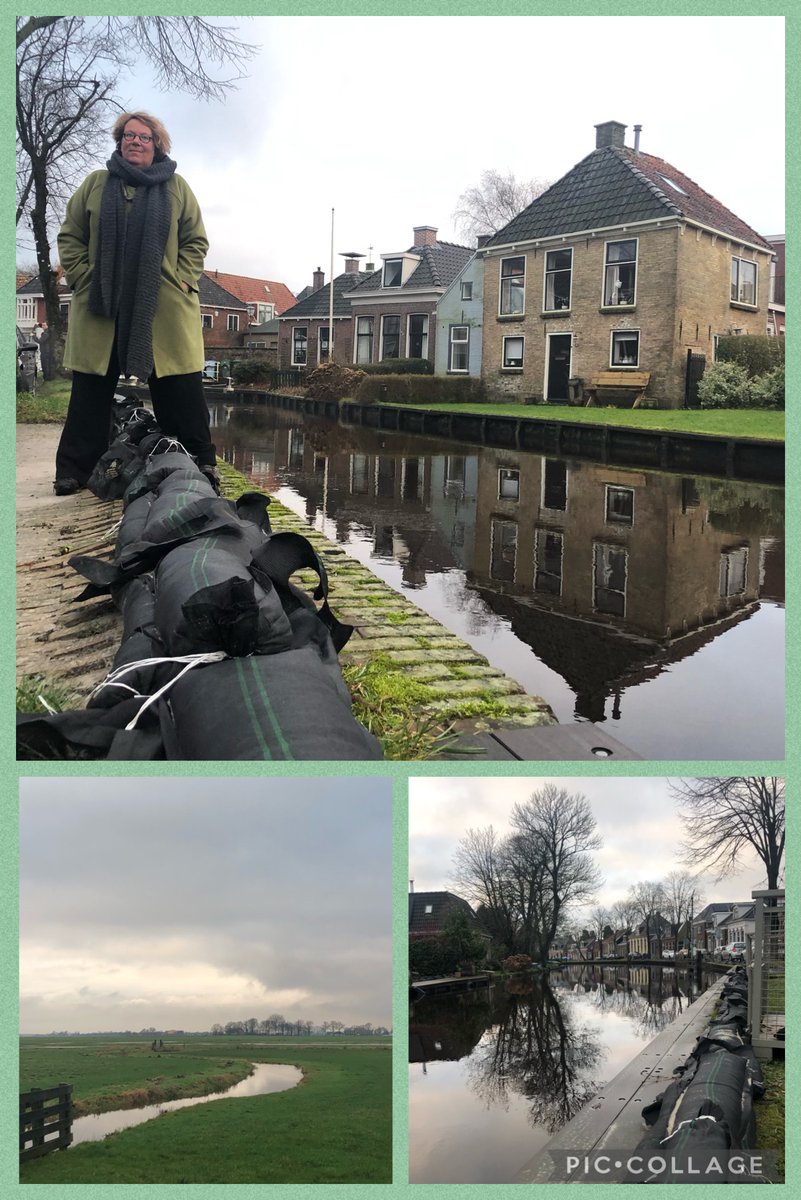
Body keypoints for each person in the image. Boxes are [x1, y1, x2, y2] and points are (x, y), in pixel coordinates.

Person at [54, 111, 217, 494]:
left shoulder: (176, 187)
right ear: (119, 140)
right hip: (102, 305)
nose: (136, 142)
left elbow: (196, 240)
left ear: (157, 145)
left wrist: (182, 277)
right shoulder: (96, 183)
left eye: (145, 137)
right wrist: (82, 276)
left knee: (179, 389)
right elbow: (70, 234)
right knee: (91, 392)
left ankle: (198, 464)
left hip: (164, 308)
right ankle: (74, 472)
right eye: (129, 135)